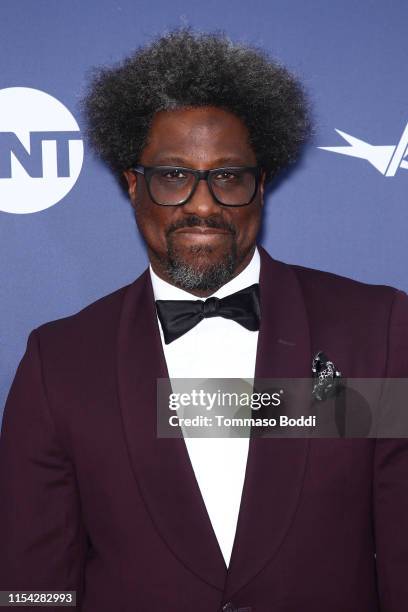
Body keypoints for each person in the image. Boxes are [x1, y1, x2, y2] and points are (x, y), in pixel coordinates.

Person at [1, 28, 407, 612]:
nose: (202, 203)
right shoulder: (59, 362)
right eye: (173, 176)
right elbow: (31, 588)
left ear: (260, 186)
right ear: (133, 184)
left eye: (227, 176)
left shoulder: (376, 331)